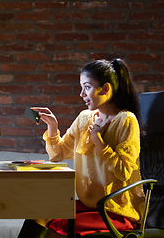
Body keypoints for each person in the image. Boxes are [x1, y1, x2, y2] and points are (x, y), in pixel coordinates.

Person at [17, 59, 146, 238]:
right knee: (38, 212)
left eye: (86, 87)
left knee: (58, 229)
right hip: (89, 206)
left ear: (105, 88)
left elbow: (123, 172)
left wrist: (98, 141)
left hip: (114, 209)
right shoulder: (85, 118)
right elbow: (58, 155)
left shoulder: (126, 121)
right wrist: (53, 127)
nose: (81, 94)